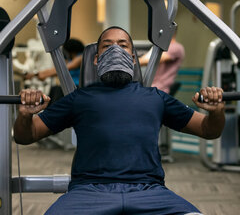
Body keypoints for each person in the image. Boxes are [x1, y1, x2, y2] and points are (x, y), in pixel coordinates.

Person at [14, 26, 225, 215]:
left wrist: (216, 112)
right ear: (96, 59)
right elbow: (27, 136)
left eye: (123, 46)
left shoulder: (156, 98)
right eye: (107, 46)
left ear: (133, 59)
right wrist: (25, 115)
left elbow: (208, 130)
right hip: (88, 192)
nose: (115, 50)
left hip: (149, 192)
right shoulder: (78, 99)